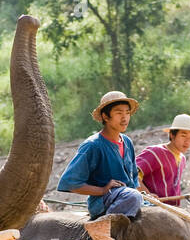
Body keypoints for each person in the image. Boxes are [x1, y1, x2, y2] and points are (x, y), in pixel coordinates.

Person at [58, 91, 145, 219]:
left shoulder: (127, 142)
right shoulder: (93, 145)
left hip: (129, 197)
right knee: (133, 196)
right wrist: (102, 190)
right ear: (105, 116)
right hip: (104, 202)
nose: (125, 118)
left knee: (156, 208)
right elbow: (70, 182)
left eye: (127, 113)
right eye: (119, 113)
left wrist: (146, 198)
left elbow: (133, 180)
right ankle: (104, 228)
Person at [136, 114, 190, 206]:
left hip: (173, 210)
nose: (187, 141)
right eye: (183, 135)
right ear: (172, 135)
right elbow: (132, 175)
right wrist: (147, 195)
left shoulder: (182, 158)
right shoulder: (155, 152)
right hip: (152, 209)